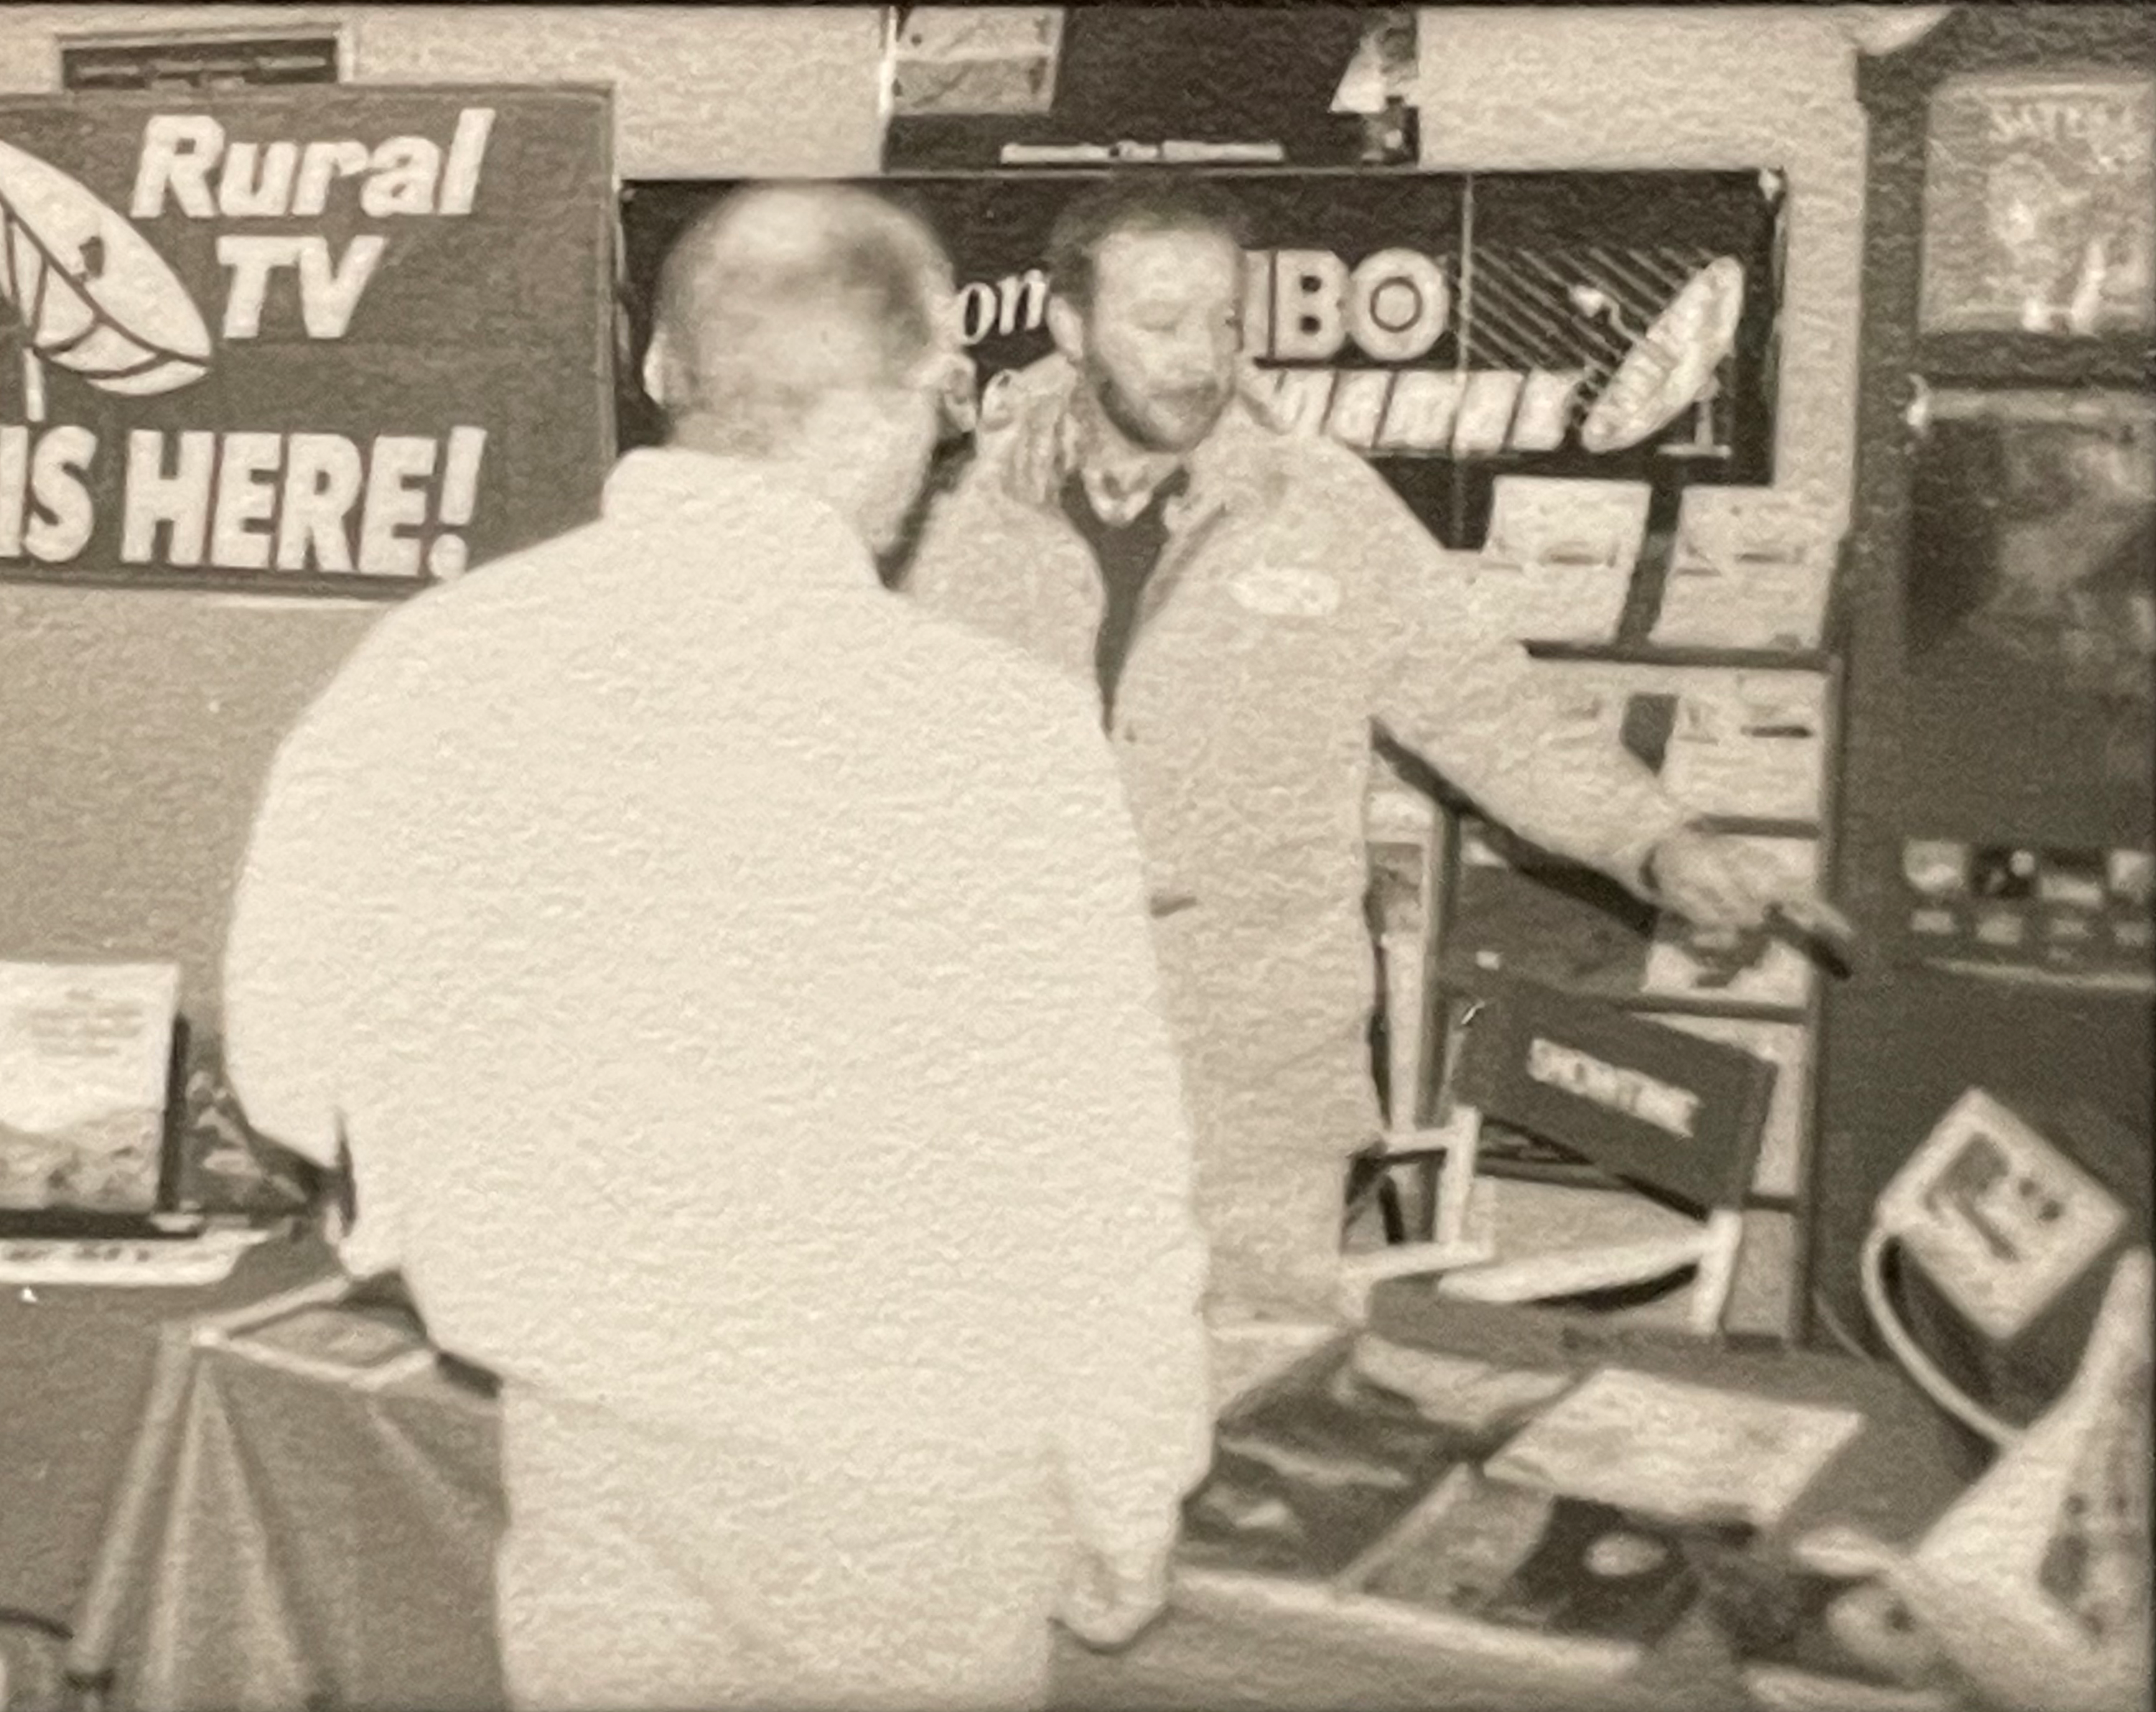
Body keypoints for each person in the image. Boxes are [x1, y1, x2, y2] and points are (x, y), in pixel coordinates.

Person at [223, 182, 1213, 1712]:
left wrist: (477, 1231)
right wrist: (1135, 1480)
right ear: (899, 412)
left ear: (674, 377)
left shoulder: (438, 657)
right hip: (913, 1477)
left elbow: (290, 1064)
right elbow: (1094, 1166)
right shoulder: (987, 729)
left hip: (589, 1438)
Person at [902, 172, 1837, 1323]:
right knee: (1029, 1428)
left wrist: (1657, 840)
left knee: (1244, 1423)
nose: (1203, 357)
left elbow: (1493, 713)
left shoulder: (1326, 508)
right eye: (1160, 323)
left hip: (1252, 1098)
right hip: (1009, 1081)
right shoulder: (954, 523)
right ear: (1070, 325)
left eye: (1226, 321)